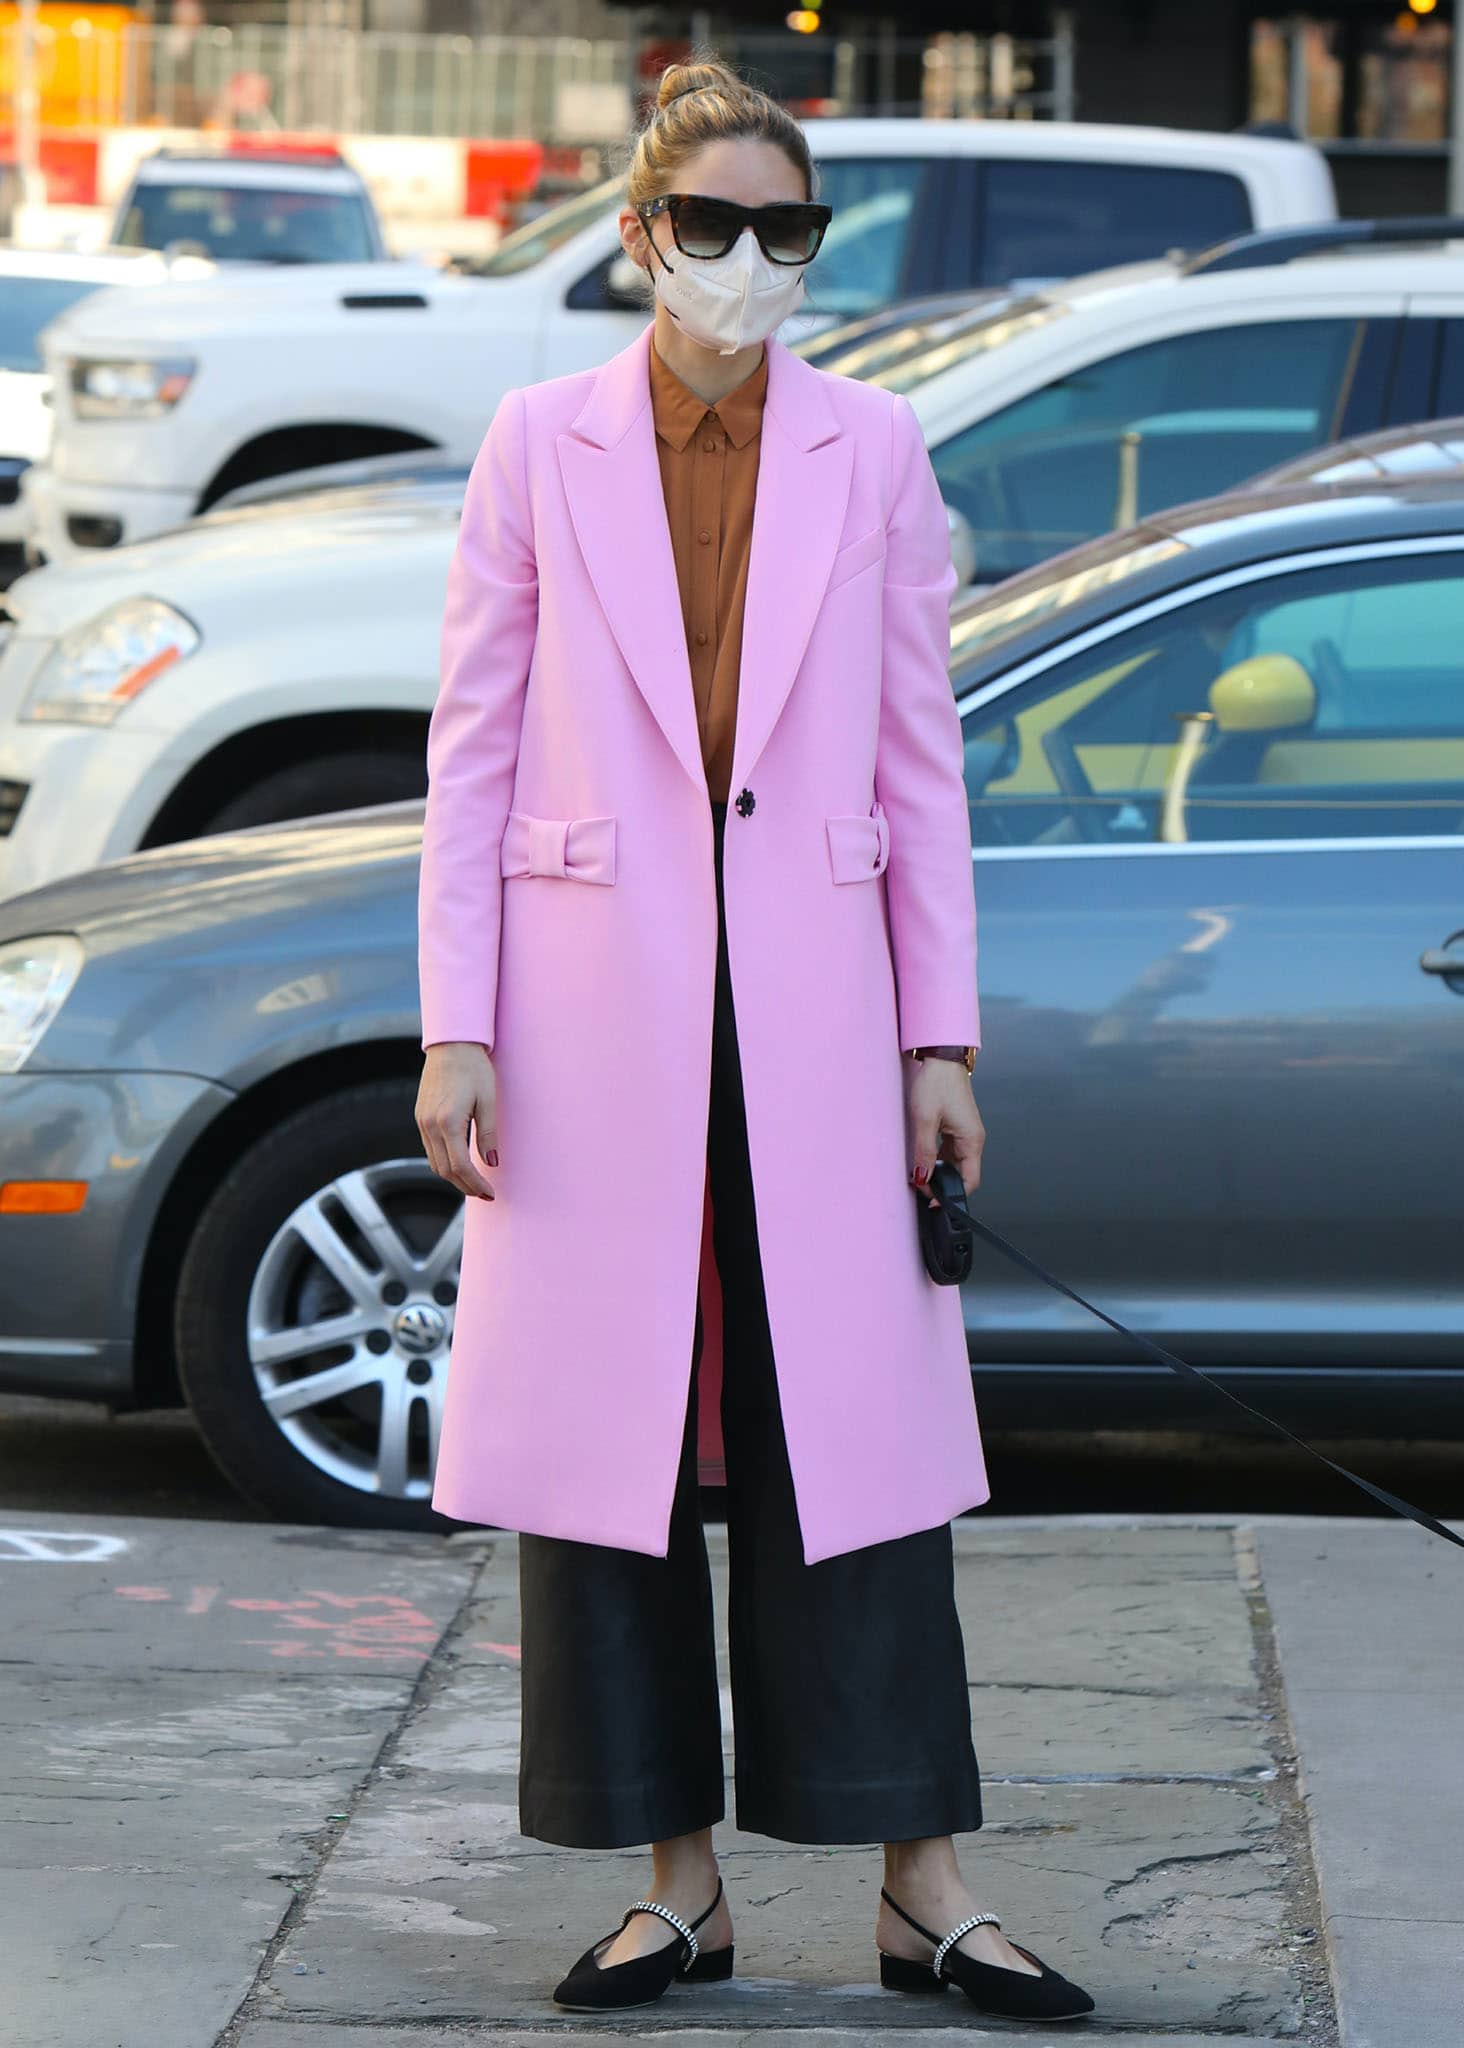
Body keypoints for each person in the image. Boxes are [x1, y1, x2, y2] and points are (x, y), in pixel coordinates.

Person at [414, 53, 1095, 2026]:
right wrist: (456, 1019)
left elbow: (918, 759)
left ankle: (923, 1888)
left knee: (854, 1451)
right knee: (607, 1461)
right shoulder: (538, 442)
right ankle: (676, 1888)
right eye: (705, 225)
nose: (741, 261)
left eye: (779, 231)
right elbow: (465, 754)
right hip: (584, 1017)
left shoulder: (869, 450)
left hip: (819, 1015)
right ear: (637, 238)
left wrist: (937, 1034)